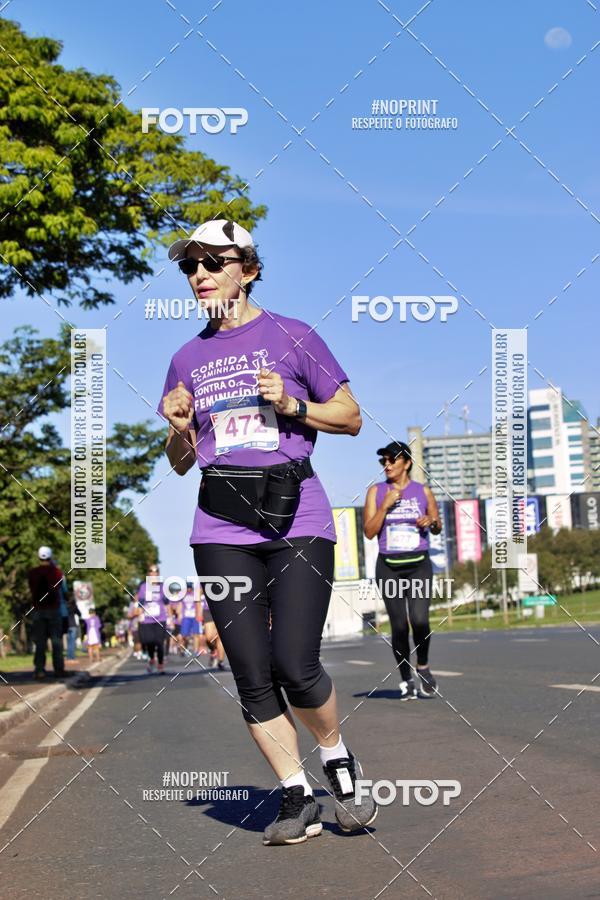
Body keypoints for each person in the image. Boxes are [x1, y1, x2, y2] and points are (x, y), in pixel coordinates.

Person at [160, 218, 377, 846]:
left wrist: (294, 406)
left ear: (249, 269)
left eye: (212, 262)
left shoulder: (294, 335)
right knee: (251, 673)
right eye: (189, 266)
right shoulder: (185, 357)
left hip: (296, 516)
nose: (199, 275)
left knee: (296, 664)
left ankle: (336, 758)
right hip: (221, 523)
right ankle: (294, 795)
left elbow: (352, 417)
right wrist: (178, 426)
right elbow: (179, 460)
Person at [363, 441, 442, 700]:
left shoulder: (423, 491)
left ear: (406, 463)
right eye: (383, 461)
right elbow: (369, 532)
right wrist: (385, 506)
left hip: (418, 564)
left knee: (420, 620)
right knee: (399, 626)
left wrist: (431, 521)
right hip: (389, 567)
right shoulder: (376, 492)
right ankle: (406, 678)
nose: (386, 465)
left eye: (391, 460)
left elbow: (437, 525)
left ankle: (424, 666)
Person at [28, 546, 65, 679]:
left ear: (39, 556)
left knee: (40, 642)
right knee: (56, 641)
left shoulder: (32, 572)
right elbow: (60, 588)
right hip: (53, 609)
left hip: (38, 610)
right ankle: (59, 669)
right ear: (51, 556)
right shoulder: (57, 572)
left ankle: (39, 670)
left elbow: (31, 589)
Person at [137, 564, 168, 674]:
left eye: (156, 571)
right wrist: (140, 615)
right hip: (147, 619)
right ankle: (151, 658)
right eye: (151, 571)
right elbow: (140, 603)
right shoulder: (143, 587)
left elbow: (167, 603)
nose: (153, 573)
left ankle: (160, 664)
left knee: (159, 642)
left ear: (158, 573)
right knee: (149, 641)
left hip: (161, 618)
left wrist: (172, 618)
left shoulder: (162, 586)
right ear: (148, 573)